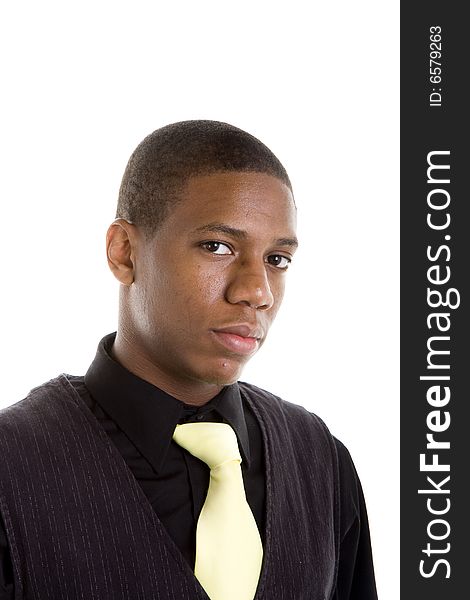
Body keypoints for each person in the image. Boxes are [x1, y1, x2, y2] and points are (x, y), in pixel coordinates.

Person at [0, 121, 378, 600]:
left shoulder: (321, 462)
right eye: (217, 247)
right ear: (124, 252)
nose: (256, 292)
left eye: (277, 259)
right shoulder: (13, 470)